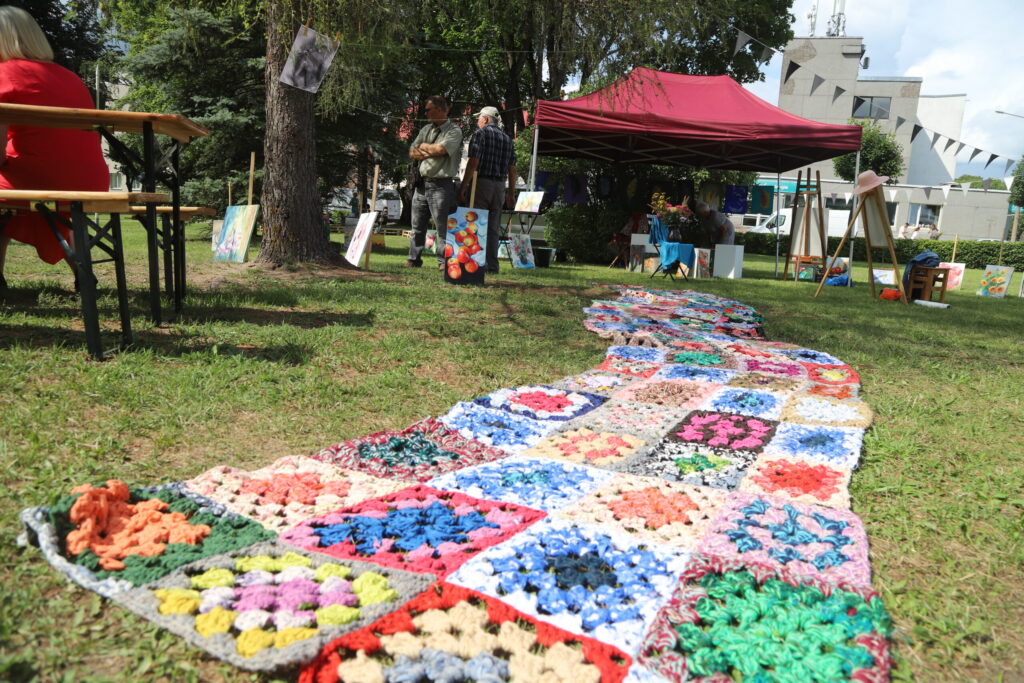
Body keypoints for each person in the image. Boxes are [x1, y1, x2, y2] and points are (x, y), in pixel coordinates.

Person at [0, 6, 109, 293]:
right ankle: (83, 274)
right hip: (91, 180)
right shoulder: (70, 77)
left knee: (7, 198)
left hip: (42, 177)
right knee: (22, 202)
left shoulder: (3, 74)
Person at [406, 95, 463, 268]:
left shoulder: (454, 131)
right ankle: (413, 259)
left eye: (428, 109)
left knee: (442, 227)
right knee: (417, 225)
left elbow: (441, 149)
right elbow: (412, 151)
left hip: (442, 185)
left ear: (440, 109)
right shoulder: (426, 129)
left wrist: (424, 147)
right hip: (421, 184)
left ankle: (444, 262)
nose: (426, 113)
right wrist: (429, 150)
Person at [459, 106, 515, 273]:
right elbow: (512, 168)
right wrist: (511, 193)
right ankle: (492, 265)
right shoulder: (507, 139)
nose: (478, 121)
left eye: (479, 118)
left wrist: (463, 186)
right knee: (493, 227)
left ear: (485, 119)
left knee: (475, 223)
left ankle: (475, 264)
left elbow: (473, 163)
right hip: (500, 186)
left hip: (481, 183)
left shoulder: (480, 134)